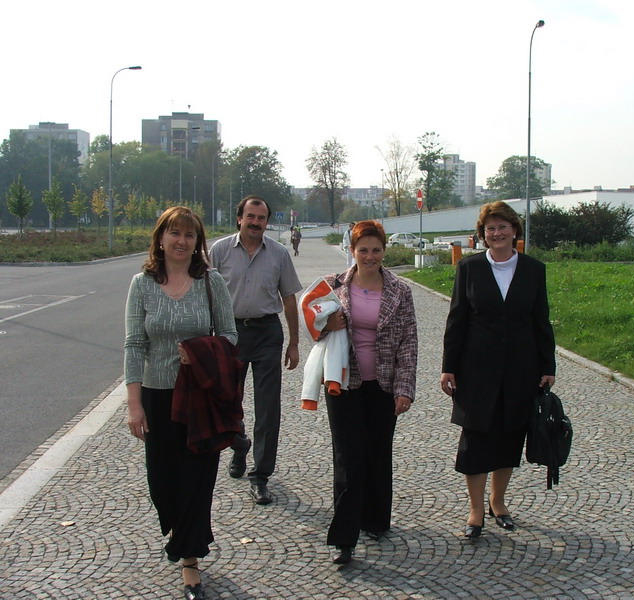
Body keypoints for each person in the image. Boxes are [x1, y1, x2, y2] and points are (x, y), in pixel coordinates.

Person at [125, 206, 238, 600]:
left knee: (196, 480)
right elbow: (134, 344)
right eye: (174, 233)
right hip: (156, 396)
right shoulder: (141, 284)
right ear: (160, 238)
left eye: (189, 235)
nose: (181, 241)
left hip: (198, 398)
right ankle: (179, 531)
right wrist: (134, 404)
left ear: (197, 242)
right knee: (162, 482)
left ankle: (190, 561)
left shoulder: (210, 281)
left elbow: (230, 335)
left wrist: (201, 352)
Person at [439, 201, 556, 540]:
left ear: (514, 229)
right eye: (490, 228)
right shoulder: (469, 268)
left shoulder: (533, 269)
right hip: (475, 370)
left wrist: (547, 365)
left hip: (521, 369)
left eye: (503, 226)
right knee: (475, 441)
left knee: (509, 437)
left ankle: (498, 502)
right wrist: (449, 367)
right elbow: (457, 320)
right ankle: (476, 509)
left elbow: (541, 320)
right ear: (483, 234)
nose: (497, 233)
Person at [316, 219, 418, 565]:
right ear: (352, 251)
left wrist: (404, 388)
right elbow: (312, 324)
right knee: (347, 456)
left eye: (376, 250)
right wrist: (325, 324)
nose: (370, 256)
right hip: (343, 383)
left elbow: (409, 342)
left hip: (384, 385)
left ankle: (375, 519)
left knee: (377, 451)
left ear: (384, 251)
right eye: (363, 250)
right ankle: (344, 537)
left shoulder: (400, 291)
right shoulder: (333, 285)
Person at [208, 196, 302, 505]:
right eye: (250, 216)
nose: (255, 222)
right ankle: (238, 444)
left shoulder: (278, 253)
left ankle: (260, 476)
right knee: (226, 403)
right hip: (229, 334)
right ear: (239, 218)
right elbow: (204, 294)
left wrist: (294, 342)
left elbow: (289, 298)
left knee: (267, 408)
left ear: (267, 222)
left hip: (266, 334)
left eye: (261, 218)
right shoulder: (220, 251)